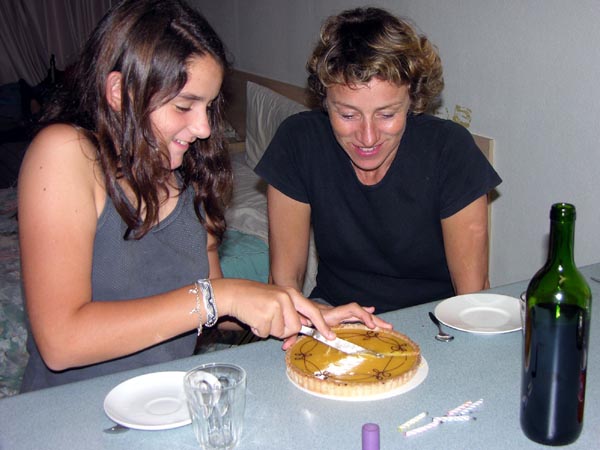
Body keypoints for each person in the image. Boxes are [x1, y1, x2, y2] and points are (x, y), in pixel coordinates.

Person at [17, 0, 388, 392]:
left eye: (209, 107)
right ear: (120, 92)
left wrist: (300, 313)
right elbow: (61, 342)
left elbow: (214, 311)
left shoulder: (192, 177)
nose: (204, 128)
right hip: (72, 410)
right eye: (184, 106)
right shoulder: (65, 153)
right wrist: (219, 296)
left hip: (167, 402)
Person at [255, 7, 502, 313]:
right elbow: (284, 287)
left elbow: (471, 299)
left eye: (386, 114)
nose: (368, 137)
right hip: (333, 312)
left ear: (412, 99)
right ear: (325, 100)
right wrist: (317, 319)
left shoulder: (451, 151)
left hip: (434, 319)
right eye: (348, 115)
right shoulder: (298, 142)